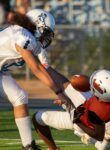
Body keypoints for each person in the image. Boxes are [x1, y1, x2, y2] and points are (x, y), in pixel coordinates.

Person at [0, 8, 74, 150]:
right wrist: (59, 93)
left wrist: (71, 92)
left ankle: (28, 146)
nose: (47, 37)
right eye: (46, 32)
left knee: (19, 97)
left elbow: (48, 70)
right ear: (37, 25)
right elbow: (37, 69)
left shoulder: (34, 44)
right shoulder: (22, 35)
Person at [32, 69, 110, 150]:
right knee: (39, 117)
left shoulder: (97, 112)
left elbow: (99, 138)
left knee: (40, 117)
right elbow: (67, 84)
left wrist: (75, 118)